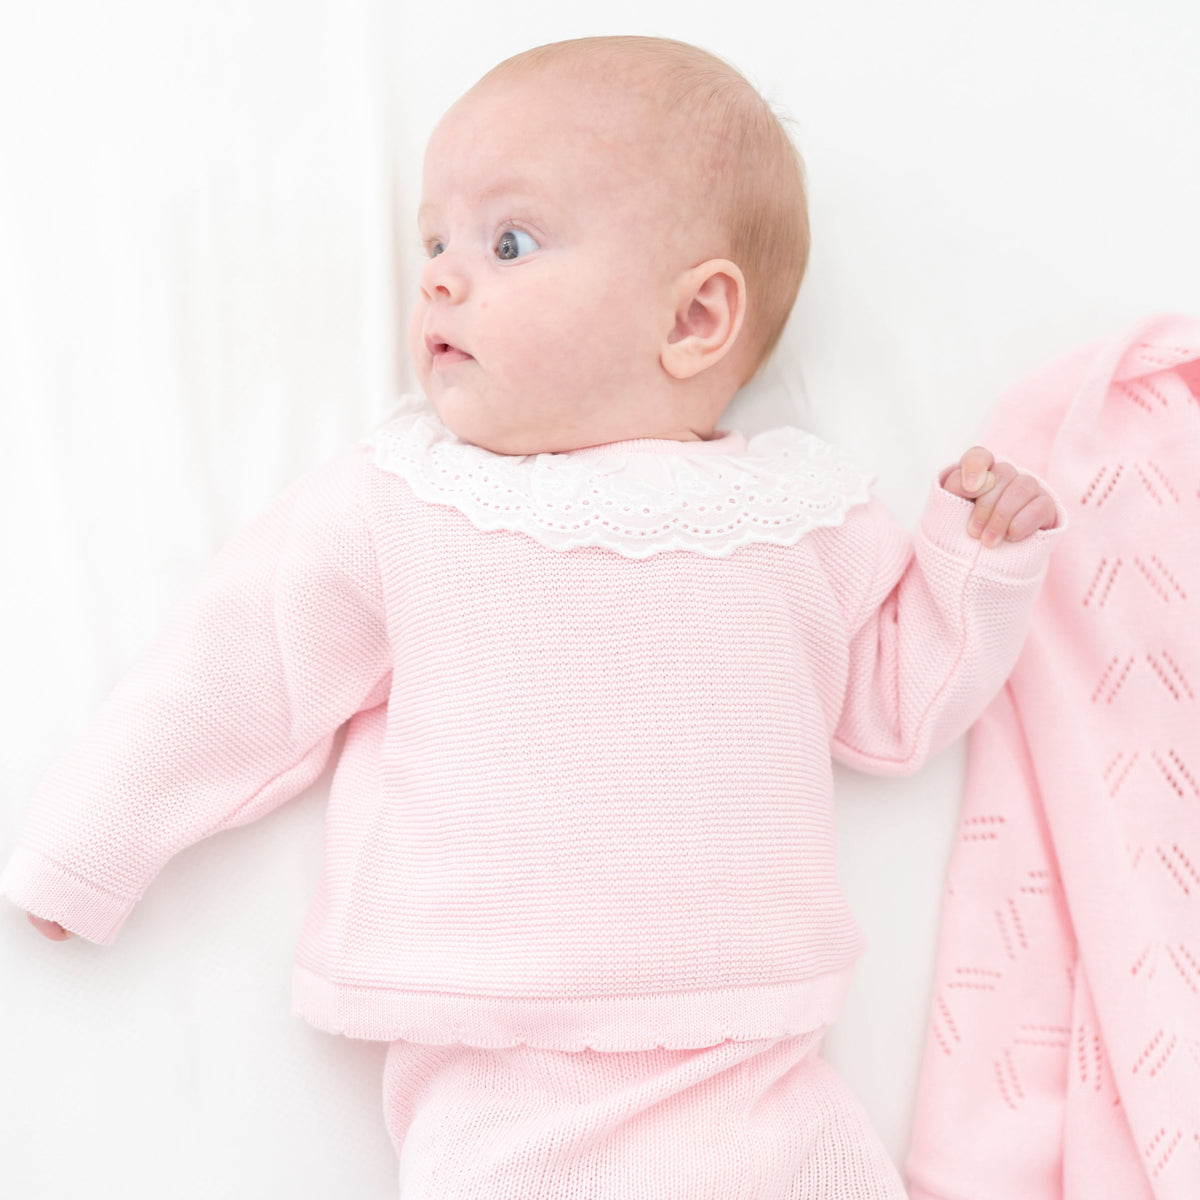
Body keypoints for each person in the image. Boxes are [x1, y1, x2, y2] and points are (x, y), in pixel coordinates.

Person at [3, 34, 1061, 1199]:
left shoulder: (796, 516)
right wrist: (89, 843)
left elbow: (893, 708)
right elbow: (238, 673)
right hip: (505, 1073)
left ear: (697, 317)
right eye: (434, 244)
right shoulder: (409, 501)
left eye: (509, 242)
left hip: (756, 1063)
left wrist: (977, 565)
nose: (442, 279)